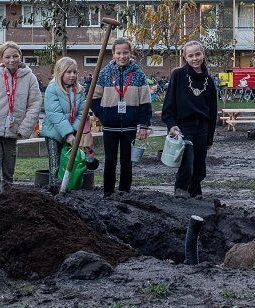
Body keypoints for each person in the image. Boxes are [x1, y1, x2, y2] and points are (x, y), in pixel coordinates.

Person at [0, 41, 42, 201]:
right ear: (1, 58)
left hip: (13, 131)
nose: (11, 60)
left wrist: (24, 128)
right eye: (7, 57)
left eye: (15, 56)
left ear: (20, 56)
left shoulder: (30, 78)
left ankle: (7, 201)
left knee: (9, 170)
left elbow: (35, 104)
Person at [91, 37, 152, 196]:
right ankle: (108, 192)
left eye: (125, 53)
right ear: (113, 54)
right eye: (118, 53)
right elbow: (93, 98)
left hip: (130, 126)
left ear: (130, 53)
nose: (122, 56)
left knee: (126, 161)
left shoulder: (138, 74)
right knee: (110, 161)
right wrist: (103, 115)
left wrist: (144, 125)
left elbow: (145, 102)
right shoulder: (104, 73)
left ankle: (124, 192)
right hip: (110, 126)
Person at [162, 40, 218, 199]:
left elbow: (212, 111)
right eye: (191, 55)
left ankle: (195, 192)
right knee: (188, 161)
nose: (195, 58)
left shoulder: (209, 82)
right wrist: (171, 124)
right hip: (183, 126)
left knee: (200, 163)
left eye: (198, 54)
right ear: (185, 58)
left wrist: (209, 138)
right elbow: (169, 103)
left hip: (202, 127)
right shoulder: (178, 75)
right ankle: (180, 189)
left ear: (203, 55)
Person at [41, 57, 87, 190]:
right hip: (53, 133)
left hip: (71, 133)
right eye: (68, 72)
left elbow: (81, 113)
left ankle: (68, 188)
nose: (72, 75)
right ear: (60, 72)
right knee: (55, 164)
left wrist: (73, 131)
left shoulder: (79, 90)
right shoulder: (52, 89)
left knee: (69, 162)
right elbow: (55, 114)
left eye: (74, 72)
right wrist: (67, 133)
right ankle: (54, 189)